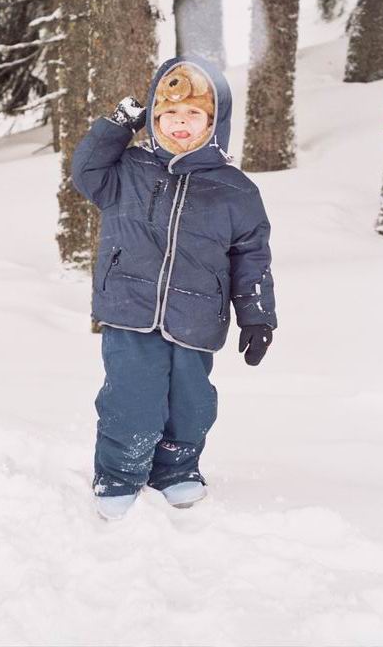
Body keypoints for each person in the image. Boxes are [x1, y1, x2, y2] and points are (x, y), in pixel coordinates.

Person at [70, 54, 277, 521]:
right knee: (131, 398)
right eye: (170, 114)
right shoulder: (128, 169)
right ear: (154, 117)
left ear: (215, 121)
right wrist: (118, 125)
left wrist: (257, 315)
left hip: (198, 317)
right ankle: (119, 475)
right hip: (130, 307)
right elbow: (86, 172)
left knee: (192, 403)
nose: (181, 123)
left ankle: (176, 470)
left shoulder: (236, 190)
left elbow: (251, 256)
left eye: (194, 114)